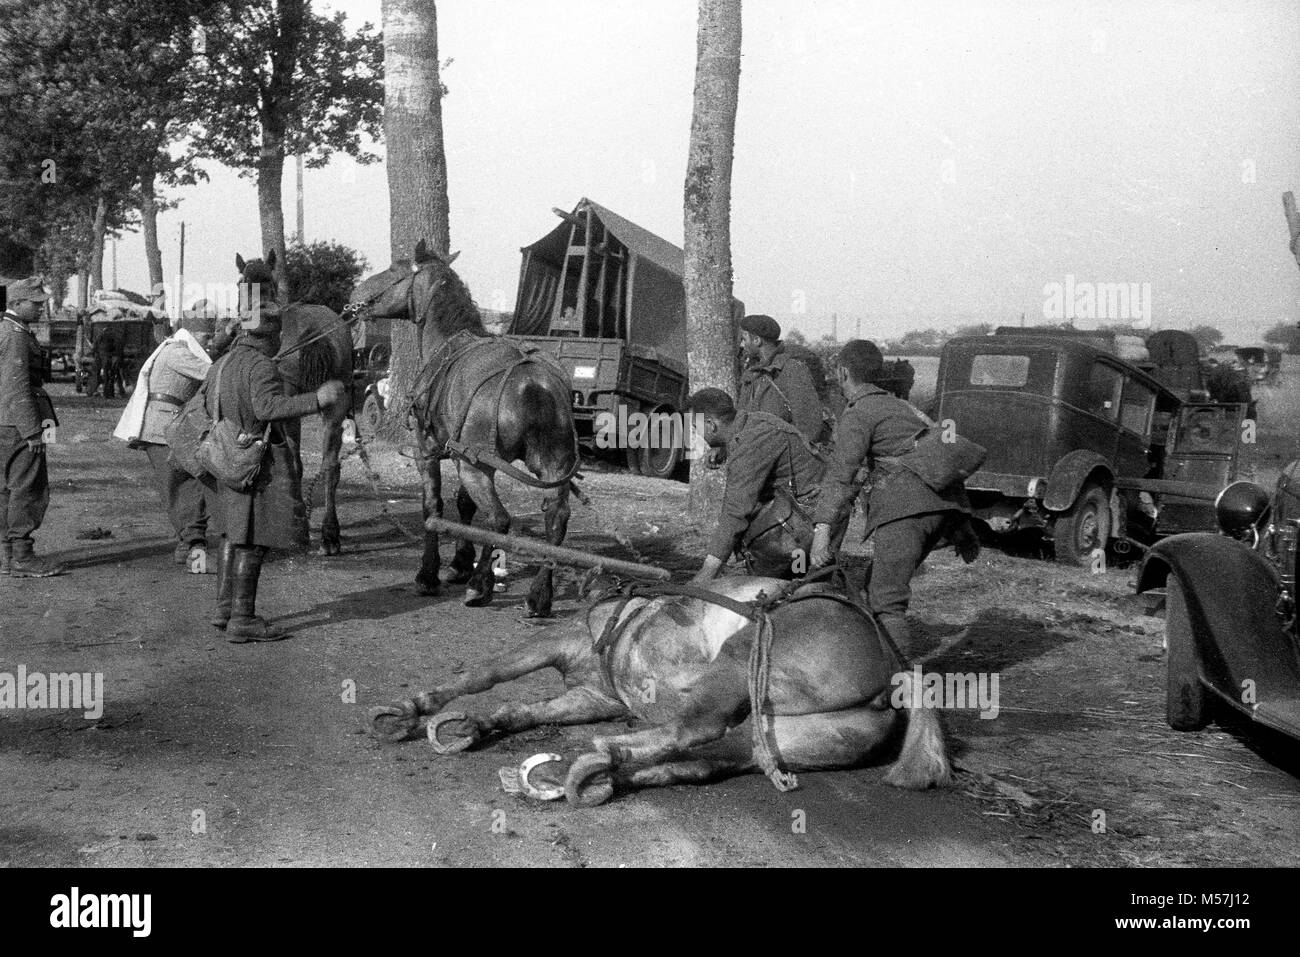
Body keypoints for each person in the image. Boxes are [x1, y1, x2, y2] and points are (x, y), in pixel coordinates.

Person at [809, 340, 978, 646]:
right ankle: (876, 664)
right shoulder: (902, 406)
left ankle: (903, 686)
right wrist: (963, 525)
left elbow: (840, 474)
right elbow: (940, 456)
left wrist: (822, 529)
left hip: (905, 510)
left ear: (843, 372)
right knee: (873, 587)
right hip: (941, 509)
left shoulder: (860, 412)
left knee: (886, 602)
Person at [204, 304, 346, 642]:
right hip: (255, 461)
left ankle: (224, 608)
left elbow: (208, 404)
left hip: (225, 456)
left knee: (231, 533)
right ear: (271, 336)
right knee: (253, 541)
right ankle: (243, 619)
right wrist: (318, 398)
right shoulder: (261, 366)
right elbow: (268, 408)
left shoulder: (221, 364)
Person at [687, 387, 824, 583]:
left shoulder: (749, 447)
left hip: (810, 516)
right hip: (798, 506)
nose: (697, 433)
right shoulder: (750, 423)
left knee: (797, 583)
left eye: (696, 427)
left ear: (711, 425)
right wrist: (722, 447)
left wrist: (707, 572)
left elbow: (735, 513)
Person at [113, 312, 216, 565]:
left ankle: (187, 544)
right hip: (164, 428)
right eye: (206, 335)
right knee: (185, 484)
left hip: (165, 426)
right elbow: (213, 374)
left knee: (180, 485)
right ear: (192, 333)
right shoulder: (177, 352)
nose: (209, 341)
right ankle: (194, 549)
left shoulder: (175, 349)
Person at [0, 278, 64, 577]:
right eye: (35, 303)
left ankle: (8, 556)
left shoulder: (12, 331)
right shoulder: (15, 336)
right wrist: (32, 431)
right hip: (18, 424)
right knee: (27, 489)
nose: (41, 307)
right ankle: (22, 556)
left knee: (6, 491)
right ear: (15, 304)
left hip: (7, 422)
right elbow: (17, 387)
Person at [735, 314, 824, 444]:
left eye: (744, 339)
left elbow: (809, 426)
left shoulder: (791, 370)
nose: (742, 345)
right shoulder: (751, 373)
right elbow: (741, 418)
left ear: (757, 341)